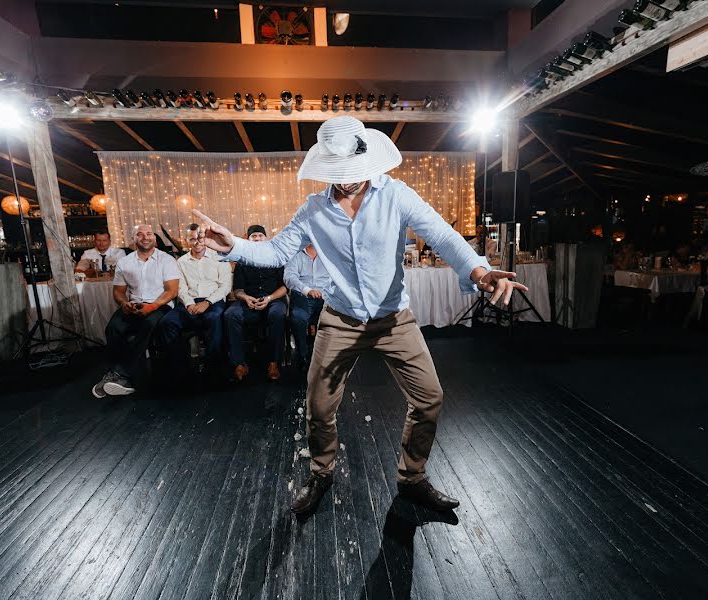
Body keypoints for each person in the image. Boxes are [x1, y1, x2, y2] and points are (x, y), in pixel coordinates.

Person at [194, 116, 527, 515]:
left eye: (351, 169)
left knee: (430, 399)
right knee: (319, 407)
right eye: (337, 171)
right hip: (341, 319)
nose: (346, 179)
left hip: (394, 319)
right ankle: (321, 473)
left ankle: (412, 477)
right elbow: (276, 253)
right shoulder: (313, 210)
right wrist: (231, 244)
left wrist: (480, 271)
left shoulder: (396, 195)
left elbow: (442, 236)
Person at [91, 224, 180, 398]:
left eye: (149, 234)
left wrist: (152, 306)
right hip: (134, 304)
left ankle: (119, 375)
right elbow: (118, 291)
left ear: (154, 238)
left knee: (147, 324)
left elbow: (172, 291)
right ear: (134, 239)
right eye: (140, 234)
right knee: (113, 327)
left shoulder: (167, 259)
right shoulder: (125, 262)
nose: (145, 237)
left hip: (160, 305)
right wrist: (124, 303)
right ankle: (117, 376)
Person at [156, 223, 232, 371]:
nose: (196, 242)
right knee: (167, 322)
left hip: (213, 301)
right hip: (188, 302)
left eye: (199, 238)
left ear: (205, 239)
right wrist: (189, 304)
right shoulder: (180, 262)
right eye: (192, 239)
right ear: (186, 241)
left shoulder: (219, 257)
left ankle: (213, 366)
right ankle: (179, 365)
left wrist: (208, 302)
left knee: (214, 318)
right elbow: (181, 287)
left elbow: (225, 286)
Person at [224, 224, 288, 382]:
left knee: (278, 314)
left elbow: (285, 287)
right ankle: (239, 363)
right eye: (254, 236)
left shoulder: (277, 257)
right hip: (249, 300)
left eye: (260, 236)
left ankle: (274, 362)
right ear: (249, 239)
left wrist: (269, 298)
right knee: (231, 314)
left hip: (273, 299)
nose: (257, 238)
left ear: (266, 238)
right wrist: (245, 297)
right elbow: (237, 289)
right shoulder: (242, 260)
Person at [284, 244, 330, 372]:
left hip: (326, 296)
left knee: (332, 319)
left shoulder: (329, 252)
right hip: (302, 294)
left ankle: (324, 358)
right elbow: (289, 278)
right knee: (299, 318)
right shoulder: (295, 253)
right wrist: (307, 290)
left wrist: (327, 292)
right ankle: (302, 356)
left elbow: (336, 276)